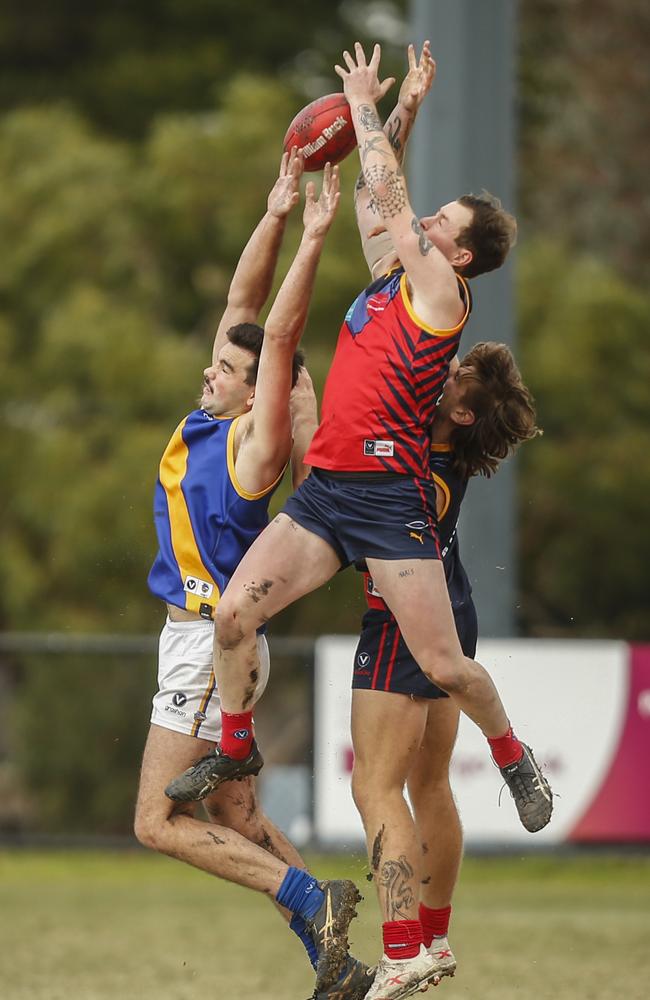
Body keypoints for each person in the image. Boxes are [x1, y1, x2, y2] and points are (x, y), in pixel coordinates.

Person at [165, 41, 552, 997]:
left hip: (385, 503)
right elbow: (385, 202)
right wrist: (397, 114)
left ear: (459, 257)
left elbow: (385, 193)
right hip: (328, 492)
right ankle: (239, 741)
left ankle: (515, 758)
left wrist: (363, 109)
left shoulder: (438, 296)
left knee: (451, 667)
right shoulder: (392, 274)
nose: (419, 223)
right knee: (232, 619)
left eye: (439, 225)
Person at [135, 151, 370, 1000]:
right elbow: (244, 311)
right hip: (205, 644)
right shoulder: (211, 414)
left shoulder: (253, 444)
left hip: (209, 648)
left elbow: (270, 336)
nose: (212, 371)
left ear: (257, 390)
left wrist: (313, 237)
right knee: (239, 819)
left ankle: (307, 892)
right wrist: (274, 216)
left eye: (228, 372)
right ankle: (334, 960)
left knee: (156, 822)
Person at [350, 343, 542, 998]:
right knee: (430, 784)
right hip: (454, 606)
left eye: (456, 377)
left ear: (462, 413)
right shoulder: (439, 450)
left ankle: (403, 952)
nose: (445, 377)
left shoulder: (417, 463)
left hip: (409, 616)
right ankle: (435, 936)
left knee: (376, 786)